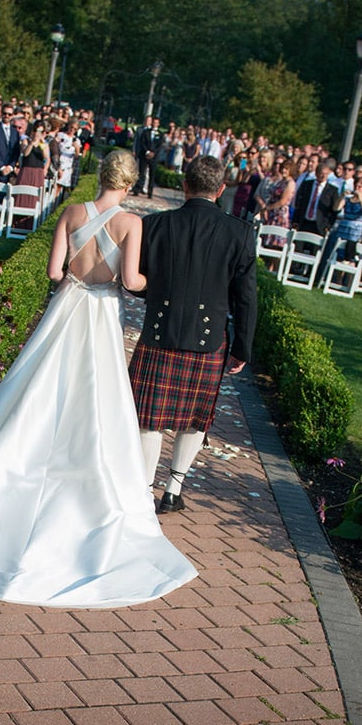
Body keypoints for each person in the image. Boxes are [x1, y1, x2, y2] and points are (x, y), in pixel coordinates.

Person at [0, 150, 197, 607]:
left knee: (36, 387)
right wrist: (153, 280)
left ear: (102, 176)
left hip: (65, 306)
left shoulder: (71, 211)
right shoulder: (131, 224)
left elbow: (52, 272)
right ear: (130, 184)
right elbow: (129, 282)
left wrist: (78, 271)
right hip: (100, 313)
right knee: (96, 398)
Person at [129, 155, 258, 514]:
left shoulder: (153, 224)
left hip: (159, 333)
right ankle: (172, 490)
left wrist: (158, 295)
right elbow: (245, 297)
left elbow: (138, 280)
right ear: (221, 190)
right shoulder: (241, 233)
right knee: (195, 417)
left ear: (184, 185)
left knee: (148, 417)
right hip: (209, 339)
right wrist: (242, 348)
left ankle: (142, 491)